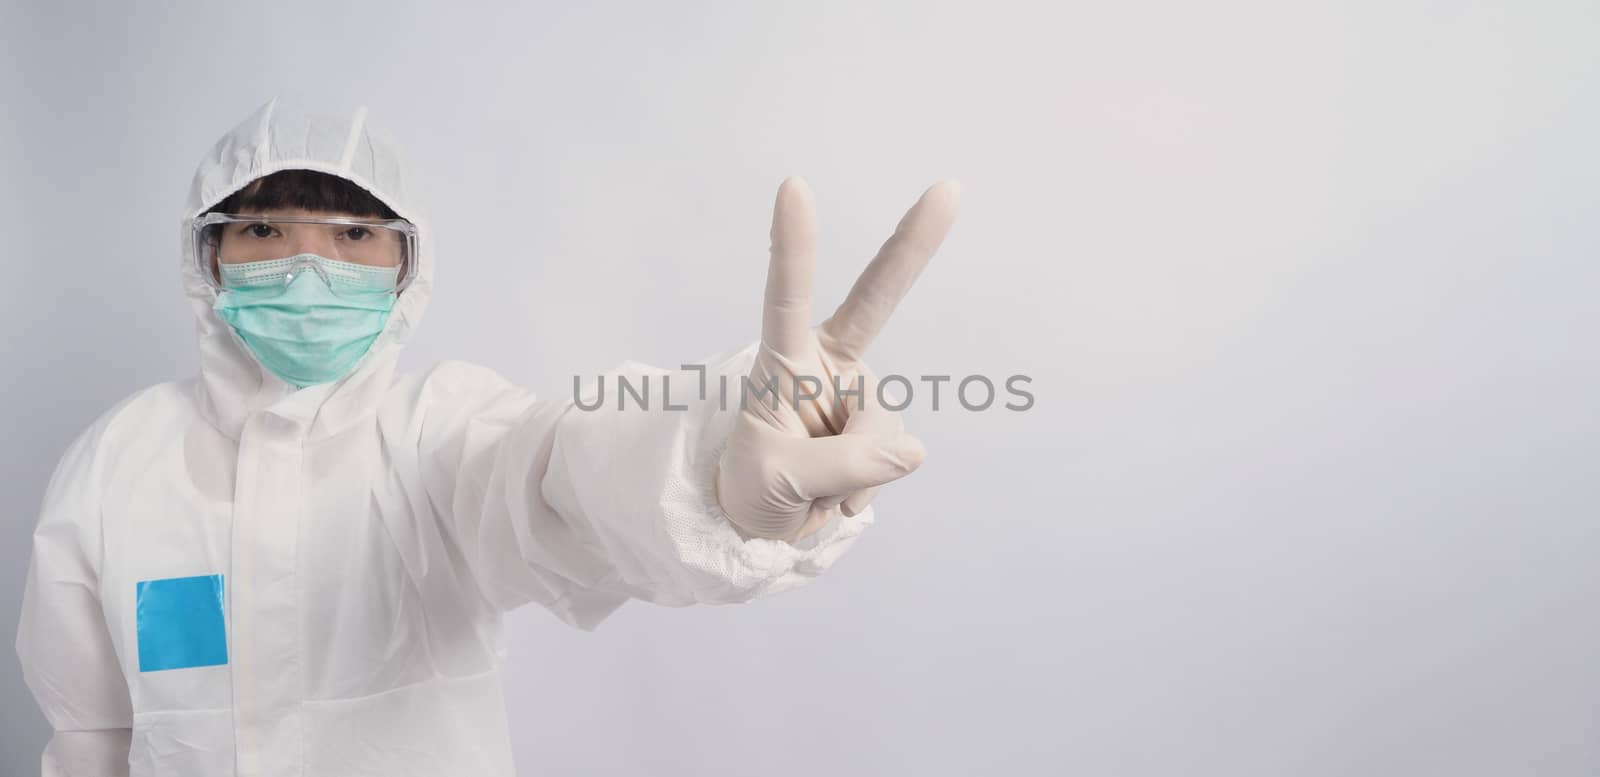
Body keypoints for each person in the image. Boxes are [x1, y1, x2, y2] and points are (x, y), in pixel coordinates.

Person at [14, 97, 960, 777]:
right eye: (261, 226)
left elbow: (557, 475)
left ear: (407, 262)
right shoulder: (116, 466)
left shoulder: (438, 431)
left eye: (352, 235)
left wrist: (714, 470)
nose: (307, 265)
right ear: (207, 254)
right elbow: (90, 738)